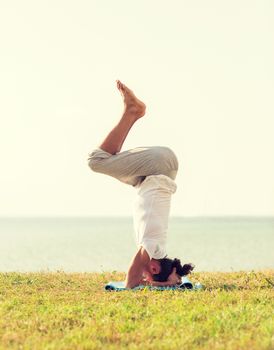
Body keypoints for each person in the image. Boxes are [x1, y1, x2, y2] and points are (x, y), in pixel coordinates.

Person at [88, 80, 194, 288]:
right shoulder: (152, 246)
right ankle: (132, 112)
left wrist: (157, 283)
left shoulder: (157, 248)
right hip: (158, 166)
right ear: (154, 268)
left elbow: (142, 272)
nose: (144, 280)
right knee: (96, 161)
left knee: (106, 162)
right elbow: (135, 271)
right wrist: (131, 287)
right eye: (148, 277)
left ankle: (132, 111)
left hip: (149, 175)